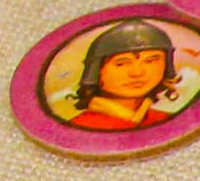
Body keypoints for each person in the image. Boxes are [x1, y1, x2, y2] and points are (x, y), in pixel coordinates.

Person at [55, 22, 184, 133]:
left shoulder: (166, 120)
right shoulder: (81, 128)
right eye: (121, 63)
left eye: (150, 61)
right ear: (96, 70)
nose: (137, 73)